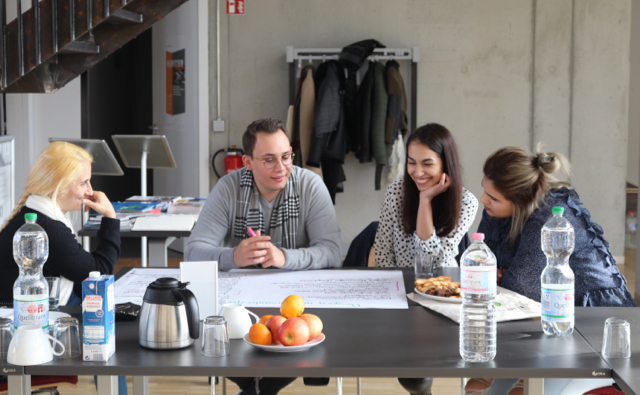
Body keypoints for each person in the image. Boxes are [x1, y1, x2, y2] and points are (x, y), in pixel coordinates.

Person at [185, 118, 342, 395]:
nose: (281, 168)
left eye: (286, 157)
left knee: (282, 343)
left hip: (297, 302)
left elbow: (332, 251)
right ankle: (260, 386)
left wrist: (285, 258)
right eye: (269, 160)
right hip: (242, 303)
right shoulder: (228, 188)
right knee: (217, 333)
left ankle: (255, 387)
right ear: (248, 162)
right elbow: (193, 251)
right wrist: (233, 256)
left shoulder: (310, 185)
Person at [467, 145, 635, 395]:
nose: (483, 199)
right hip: (549, 324)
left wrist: (505, 274)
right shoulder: (498, 206)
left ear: (522, 200)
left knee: (527, 391)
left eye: (493, 197)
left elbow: (520, 288)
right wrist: (500, 273)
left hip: (595, 329)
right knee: (488, 386)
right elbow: (483, 264)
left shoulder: (552, 217)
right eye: (484, 189)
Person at [0, 141, 127, 395]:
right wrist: (110, 217)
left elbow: (82, 271)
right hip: (23, 338)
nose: (90, 191)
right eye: (83, 182)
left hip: (22, 327)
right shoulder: (48, 230)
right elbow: (99, 273)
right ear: (58, 184)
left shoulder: (33, 215)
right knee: (106, 328)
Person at [373, 123, 478, 395]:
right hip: (399, 293)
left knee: (418, 367)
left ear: (445, 163)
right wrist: (389, 294)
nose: (417, 172)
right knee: (411, 371)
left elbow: (431, 261)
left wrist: (425, 202)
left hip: (442, 294)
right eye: (411, 162)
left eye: (427, 164)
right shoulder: (396, 192)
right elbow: (383, 250)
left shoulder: (466, 202)